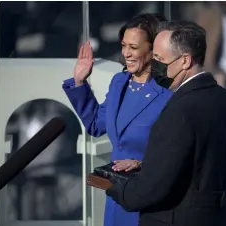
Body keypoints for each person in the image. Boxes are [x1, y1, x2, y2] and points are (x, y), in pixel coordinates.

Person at [106, 20, 226, 226]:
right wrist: (146, 165)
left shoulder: (179, 109)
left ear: (185, 61)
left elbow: (152, 189)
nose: (154, 66)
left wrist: (114, 186)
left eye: (160, 59)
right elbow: (200, 162)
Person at [62, 13, 173, 226]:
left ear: (153, 51)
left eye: (134, 47)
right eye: (123, 46)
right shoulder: (119, 82)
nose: (126, 54)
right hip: (117, 199)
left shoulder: (168, 93)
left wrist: (143, 163)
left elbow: (178, 151)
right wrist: (79, 82)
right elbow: (96, 124)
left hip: (149, 200)